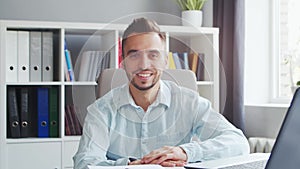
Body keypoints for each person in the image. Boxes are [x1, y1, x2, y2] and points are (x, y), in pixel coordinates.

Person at [73, 17, 250, 169]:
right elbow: (84, 163)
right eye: (134, 55)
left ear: (166, 61)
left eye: (153, 55)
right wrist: (130, 165)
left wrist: (185, 152)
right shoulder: (101, 110)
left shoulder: (188, 102)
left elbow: (238, 143)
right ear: (123, 62)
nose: (144, 65)